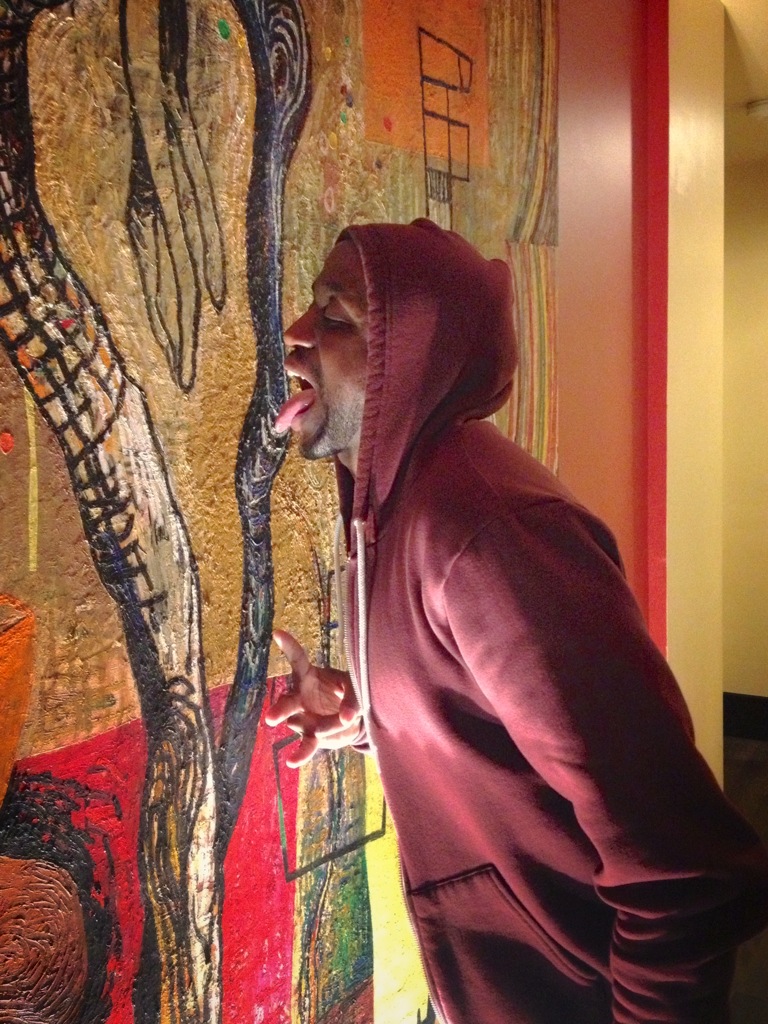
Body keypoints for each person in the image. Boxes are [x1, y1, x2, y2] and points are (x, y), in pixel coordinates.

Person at [266, 219, 768, 1024]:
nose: (296, 336)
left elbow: (682, 867)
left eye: (335, 317)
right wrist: (366, 715)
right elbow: (490, 724)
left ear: (411, 351)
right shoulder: (392, 509)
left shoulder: (485, 534)